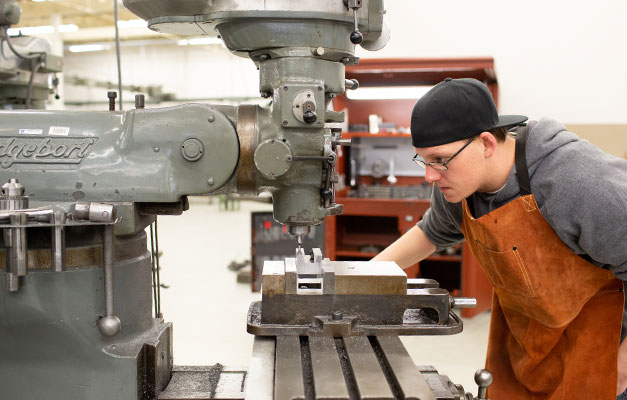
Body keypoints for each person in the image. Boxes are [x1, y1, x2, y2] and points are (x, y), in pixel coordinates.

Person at [372, 77, 627, 399]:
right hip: (528, 346)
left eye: (440, 160)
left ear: (487, 144)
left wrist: (620, 373)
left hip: (605, 349)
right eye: (423, 159)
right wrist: (363, 275)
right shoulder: (459, 188)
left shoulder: (578, 182)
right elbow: (431, 232)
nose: (430, 176)